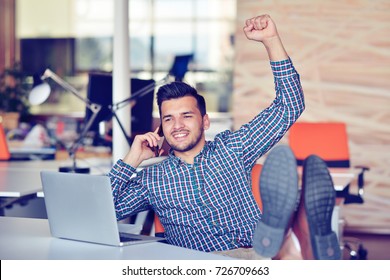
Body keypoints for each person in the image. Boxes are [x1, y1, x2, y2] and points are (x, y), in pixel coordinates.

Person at [108, 14, 341, 260]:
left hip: (255, 251)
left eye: (186, 115)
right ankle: (296, 240)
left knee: (270, 259)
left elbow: (290, 104)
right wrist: (131, 159)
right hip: (202, 263)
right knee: (289, 260)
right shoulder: (151, 179)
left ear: (205, 121)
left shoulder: (233, 148)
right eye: (168, 119)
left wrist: (271, 40)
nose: (177, 125)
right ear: (161, 128)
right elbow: (99, 213)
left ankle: (292, 241)